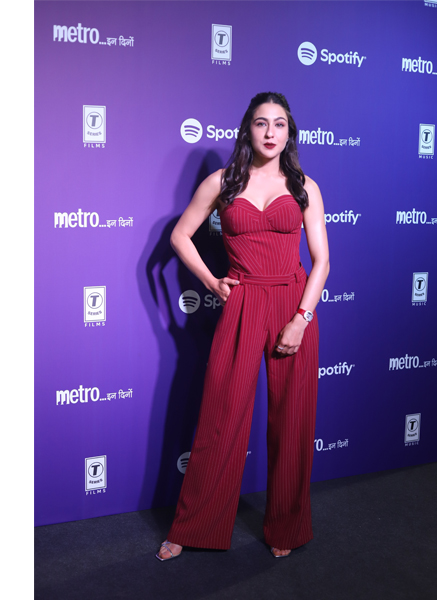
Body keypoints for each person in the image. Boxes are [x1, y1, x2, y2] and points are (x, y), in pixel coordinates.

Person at [157, 92, 330, 560]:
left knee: (293, 423)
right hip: (244, 300)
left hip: (293, 303)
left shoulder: (304, 187)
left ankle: (286, 528)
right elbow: (179, 236)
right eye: (261, 123)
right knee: (222, 416)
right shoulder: (223, 181)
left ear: (289, 132)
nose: (270, 132)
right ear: (247, 130)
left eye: (279, 123)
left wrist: (301, 319)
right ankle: (194, 526)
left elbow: (321, 261)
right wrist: (212, 281)